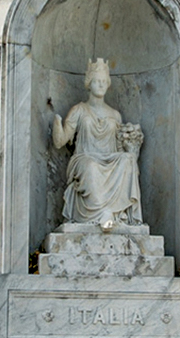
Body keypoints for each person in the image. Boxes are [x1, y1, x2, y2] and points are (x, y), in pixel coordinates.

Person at [51, 58, 143, 230]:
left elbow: (119, 148)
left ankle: (113, 212)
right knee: (91, 166)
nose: (100, 85)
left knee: (127, 160)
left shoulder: (115, 115)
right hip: (85, 157)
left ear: (108, 84)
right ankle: (102, 213)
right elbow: (60, 142)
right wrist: (57, 124)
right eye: (96, 81)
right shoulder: (78, 110)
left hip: (110, 158)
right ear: (89, 84)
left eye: (103, 82)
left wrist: (132, 149)